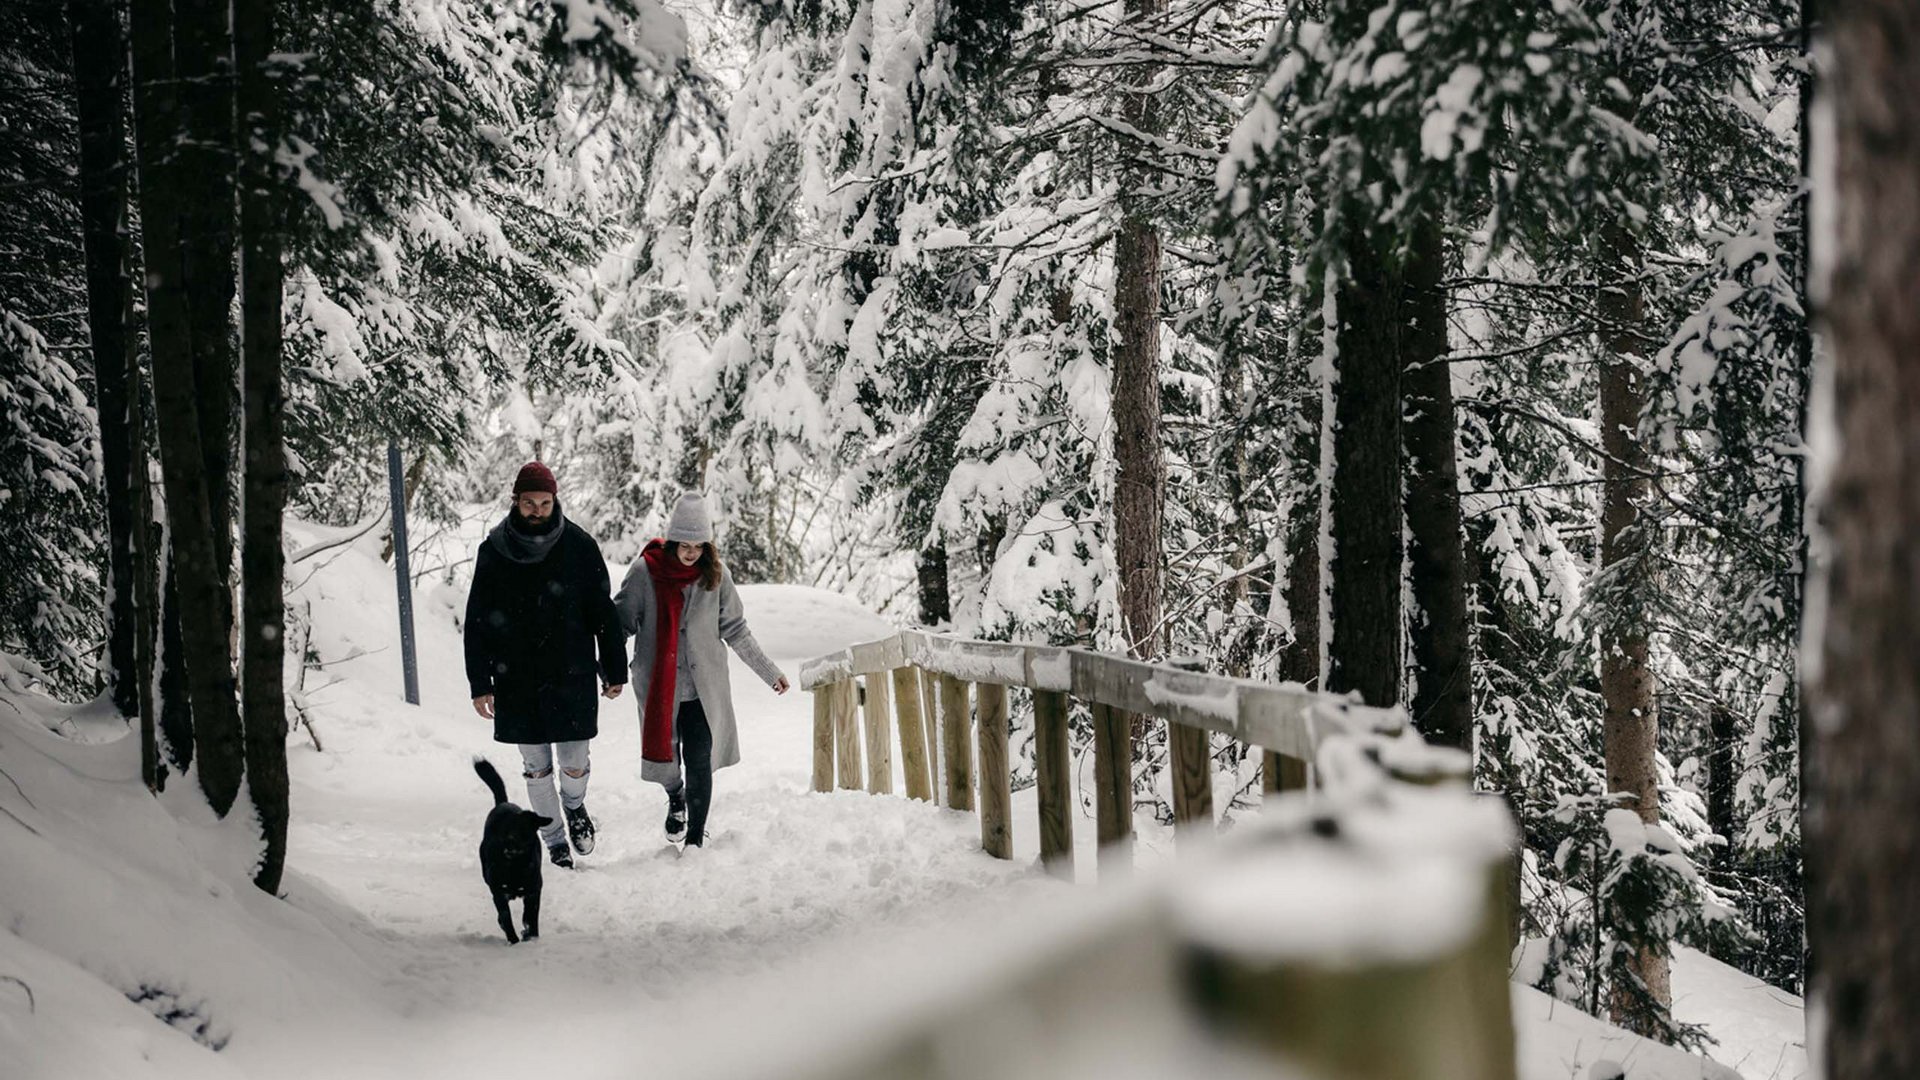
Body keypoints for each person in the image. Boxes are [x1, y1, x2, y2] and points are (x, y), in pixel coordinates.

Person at [464, 462, 627, 868]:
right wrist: (479, 681)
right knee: (535, 769)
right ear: (516, 502)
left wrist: (613, 668)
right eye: (529, 503)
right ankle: (554, 840)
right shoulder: (494, 550)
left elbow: (602, 613)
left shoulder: (579, 546)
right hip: (515, 677)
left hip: (570, 673)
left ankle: (574, 808)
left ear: (555, 502)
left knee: (573, 764)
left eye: (544, 502)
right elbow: (477, 620)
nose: (537, 510)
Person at [614, 492, 789, 849]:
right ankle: (675, 795)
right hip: (659, 687)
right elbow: (619, 625)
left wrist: (769, 672)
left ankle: (695, 839)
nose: (692, 552)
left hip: (703, 690)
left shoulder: (716, 576)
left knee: (699, 760)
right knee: (666, 760)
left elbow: (736, 630)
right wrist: (610, 673)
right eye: (685, 544)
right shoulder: (646, 572)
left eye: (699, 545)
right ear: (673, 540)